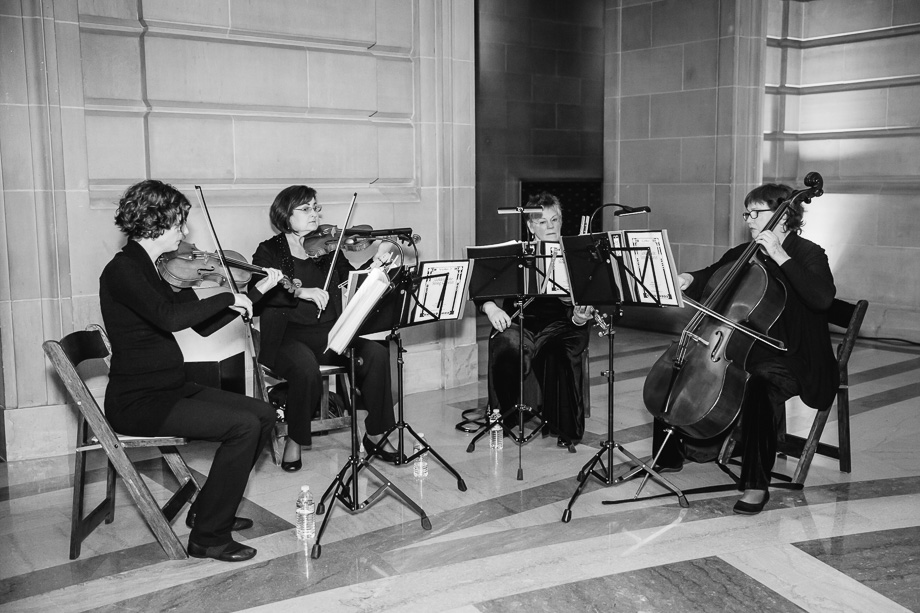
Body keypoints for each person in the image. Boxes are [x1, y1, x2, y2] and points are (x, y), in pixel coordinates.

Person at [100, 180, 279, 562]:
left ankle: (207, 510)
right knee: (242, 426)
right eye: (180, 223)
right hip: (138, 401)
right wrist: (228, 294)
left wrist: (256, 296)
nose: (184, 232)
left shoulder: (155, 269)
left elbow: (201, 325)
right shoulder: (123, 270)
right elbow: (169, 319)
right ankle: (208, 538)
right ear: (156, 222)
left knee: (262, 415)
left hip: (171, 386)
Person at [652, 182, 838, 514]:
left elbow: (822, 298)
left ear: (784, 216)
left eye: (756, 212)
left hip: (793, 353)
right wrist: (689, 277)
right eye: (746, 212)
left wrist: (781, 256)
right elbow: (714, 273)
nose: (749, 219)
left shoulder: (809, 253)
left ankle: (755, 483)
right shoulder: (745, 252)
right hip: (746, 346)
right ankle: (671, 454)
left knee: (758, 384)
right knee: (682, 366)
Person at [249, 185, 402, 472]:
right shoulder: (269, 251)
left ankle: (376, 433)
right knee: (305, 368)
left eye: (315, 207)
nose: (314, 214)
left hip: (331, 335)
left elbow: (350, 282)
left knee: (377, 354)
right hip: (286, 338)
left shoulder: (326, 249)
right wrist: (300, 291)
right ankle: (296, 438)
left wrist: (376, 264)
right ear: (285, 214)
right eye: (305, 208)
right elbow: (257, 297)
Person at [480, 192, 594, 448]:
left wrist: (578, 317)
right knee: (507, 345)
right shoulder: (516, 253)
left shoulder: (576, 254)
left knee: (562, 352)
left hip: (562, 326)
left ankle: (565, 429)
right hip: (521, 322)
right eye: (543, 222)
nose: (551, 226)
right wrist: (491, 309)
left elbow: (581, 309)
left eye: (555, 219)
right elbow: (482, 287)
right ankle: (506, 417)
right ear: (530, 226)